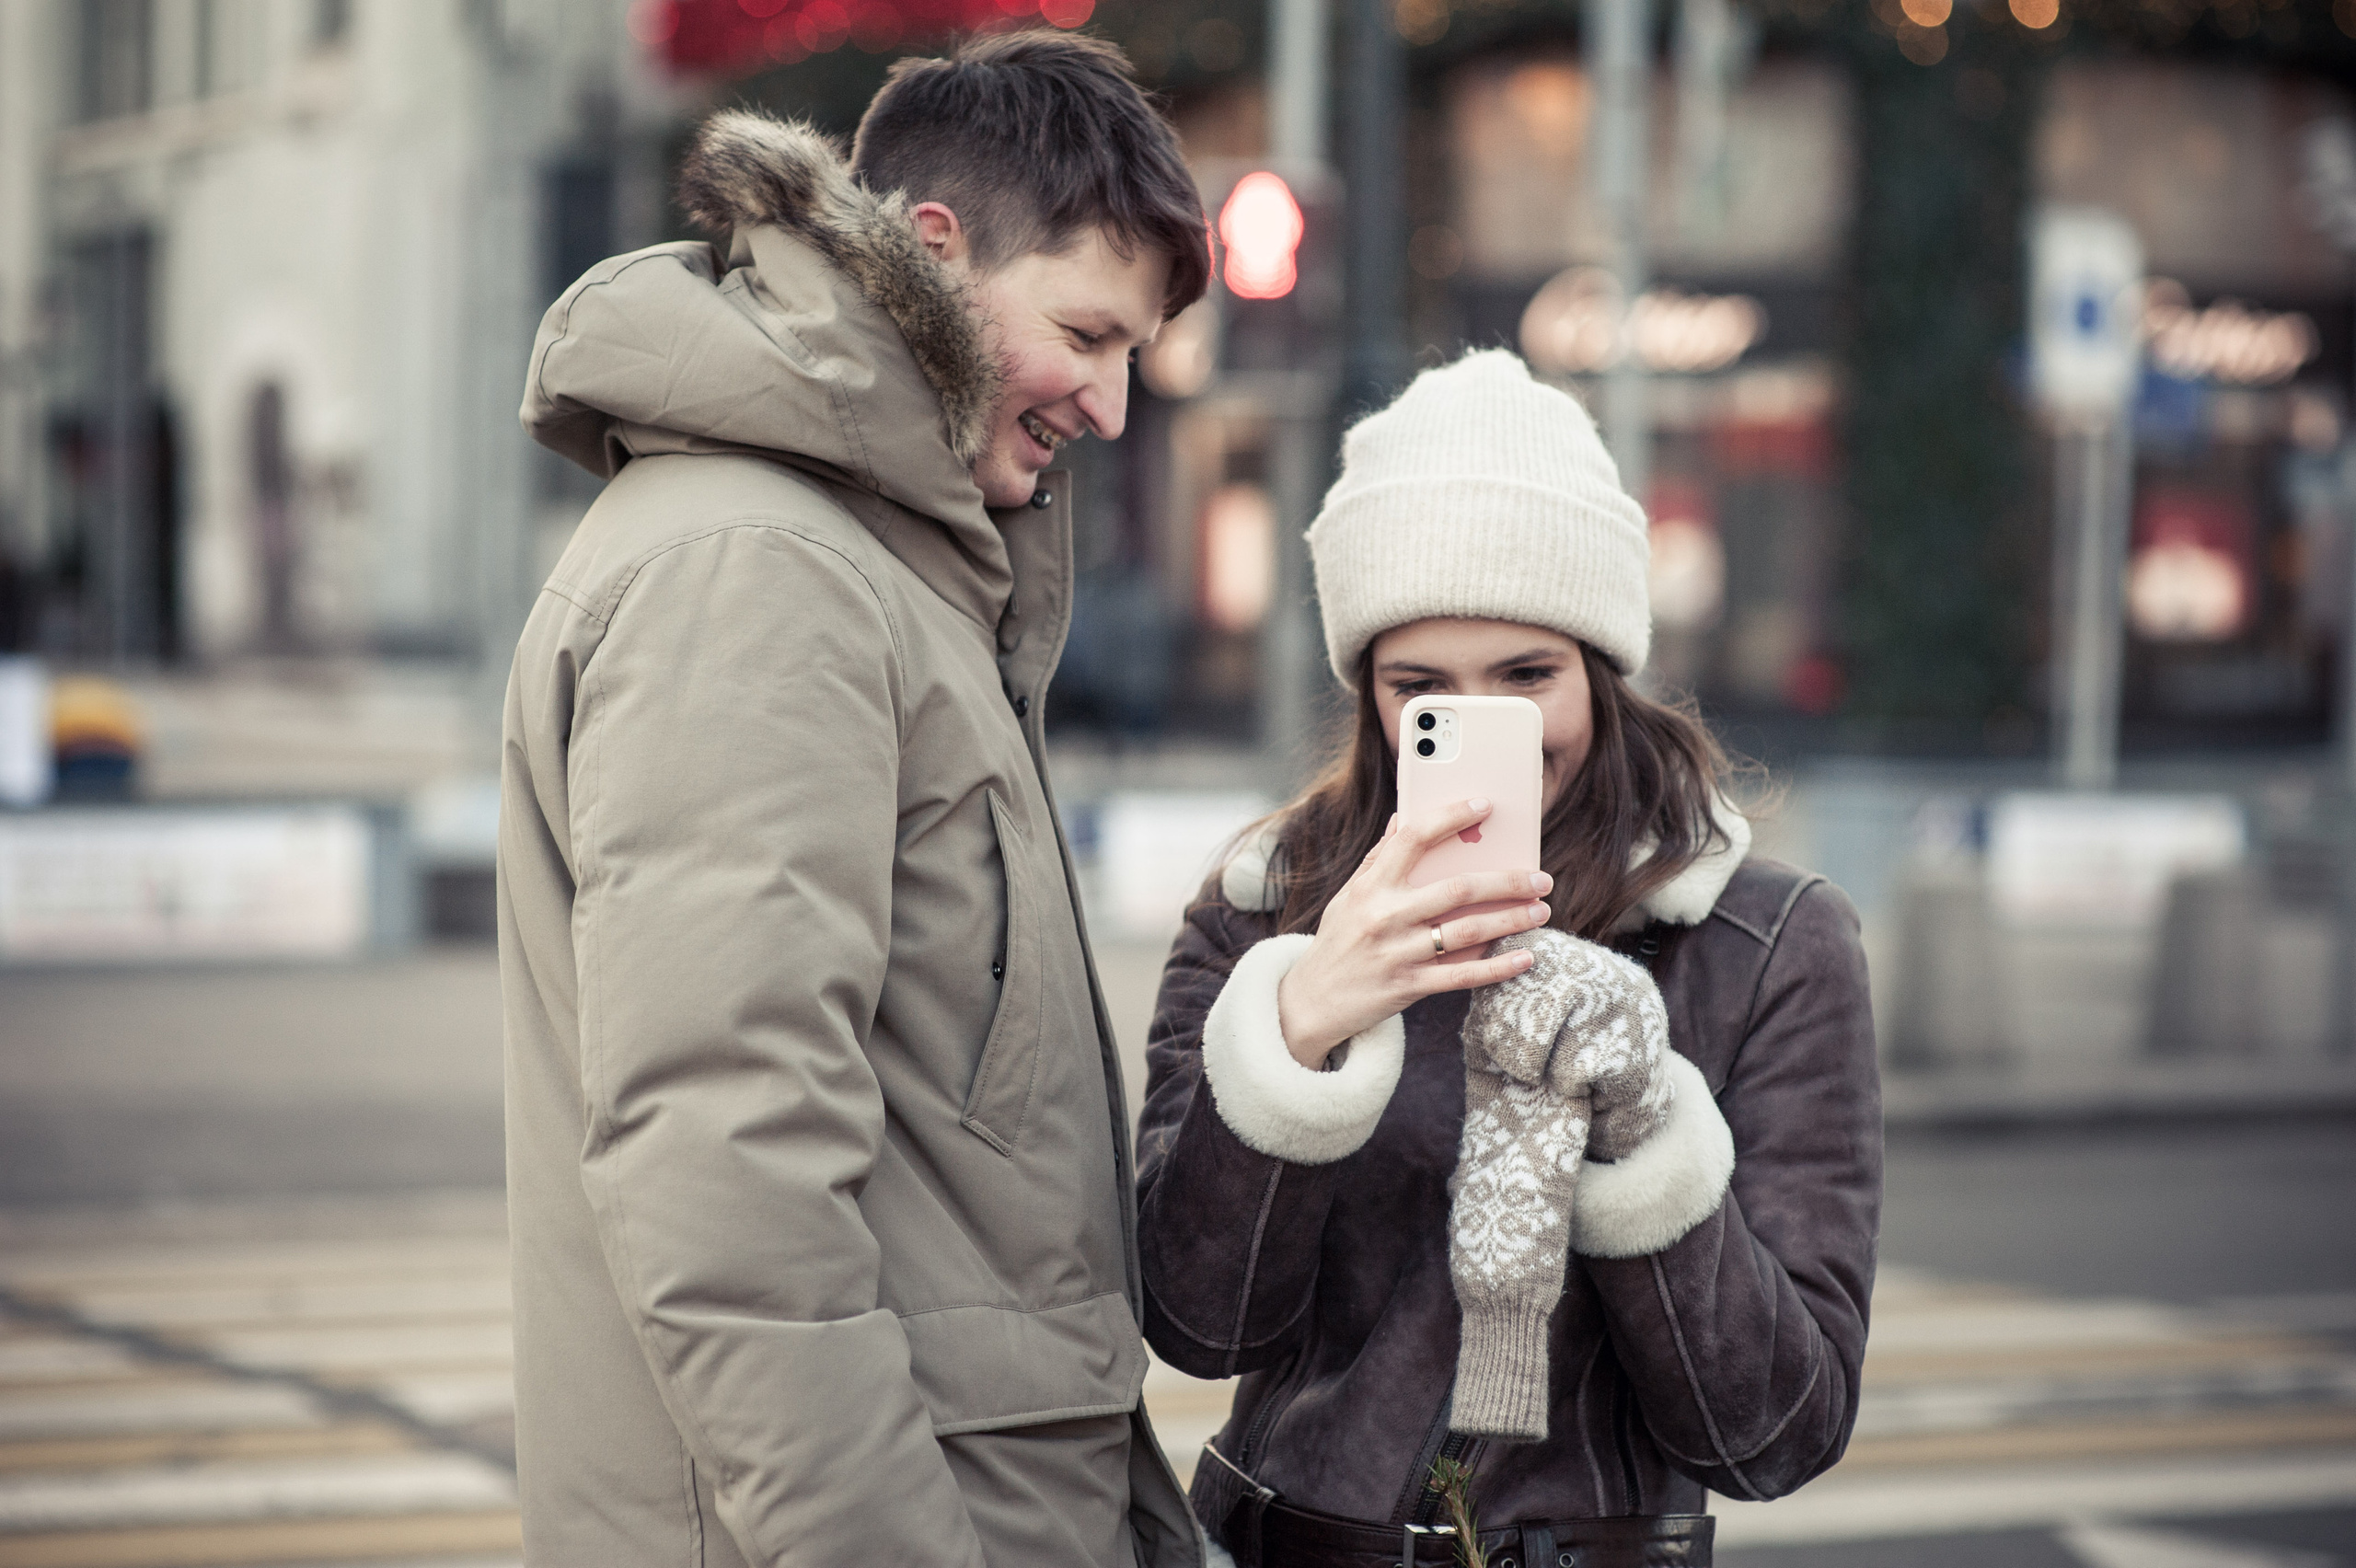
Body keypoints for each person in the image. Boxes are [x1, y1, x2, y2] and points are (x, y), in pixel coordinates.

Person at [499, 32, 1212, 1568]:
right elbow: (728, 1183)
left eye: (1133, 356)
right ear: (935, 254)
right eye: (1087, 334)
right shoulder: (763, 576)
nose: (1111, 404)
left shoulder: (874, 567)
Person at [1136, 351, 1881, 1568]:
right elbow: (1196, 1326)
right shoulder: (1266, 910)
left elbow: (1776, 1436)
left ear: (1602, 667)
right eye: (1423, 689)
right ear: (1370, 692)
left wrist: (1644, 1133)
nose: (1496, 728)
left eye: (1529, 675)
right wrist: (1299, 1034)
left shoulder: (1767, 944)